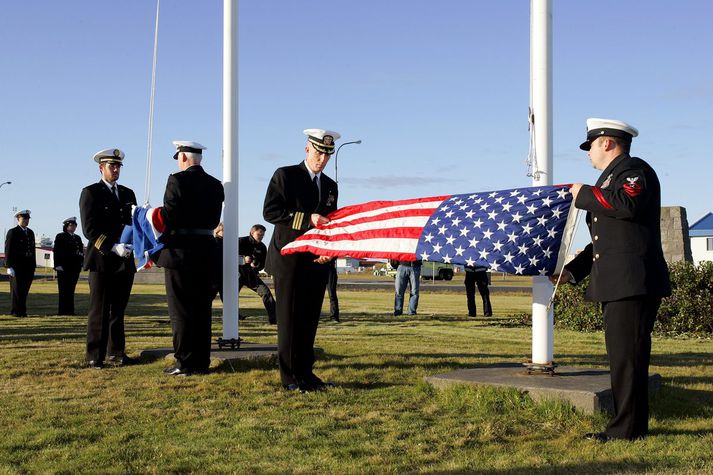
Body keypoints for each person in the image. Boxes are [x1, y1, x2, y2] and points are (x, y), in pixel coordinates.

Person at [551, 118, 671, 442]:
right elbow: (606, 243)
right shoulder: (610, 180)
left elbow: (626, 205)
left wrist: (585, 194)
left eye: (589, 145)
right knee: (624, 358)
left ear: (606, 142)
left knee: (627, 360)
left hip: (632, 283)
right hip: (621, 283)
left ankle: (624, 431)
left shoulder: (634, 171)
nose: (587, 153)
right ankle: (631, 426)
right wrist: (572, 272)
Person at [263, 128, 340, 393]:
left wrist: (330, 250)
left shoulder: (330, 185)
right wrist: (308, 218)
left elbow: (330, 222)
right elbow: (270, 212)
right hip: (289, 258)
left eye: (327, 155)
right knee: (289, 319)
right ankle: (289, 377)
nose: (322, 159)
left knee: (309, 318)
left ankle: (306, 372)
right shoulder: (285, 175)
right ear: (307, 149)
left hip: (316, 260)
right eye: (318, 152)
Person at [156, 141, 224, 376]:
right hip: (206, 250)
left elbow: (170, 215)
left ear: (183, 157)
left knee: (181, 311)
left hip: (180, 252)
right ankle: (201, 361)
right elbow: (214, 218)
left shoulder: (176, 180)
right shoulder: (216, 185)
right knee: (202, 310)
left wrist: (149, 215)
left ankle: (184, 362)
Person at [79, 148, 138, 369]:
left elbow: (133, 224)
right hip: (102, 258)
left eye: (118, 166)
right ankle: (95, 355)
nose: (115, 169)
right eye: (111, 166)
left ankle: (117, 352)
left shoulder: (127, 193)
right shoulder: (91, 192)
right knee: (99, 309)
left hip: (124, 260)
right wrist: (113, 246)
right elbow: (89, 229)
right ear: (101, 168)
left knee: (118, 309)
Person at [238, 224, 276, 324]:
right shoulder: (241, 241)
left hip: (252, 276)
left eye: (263, 235)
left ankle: (274, 319)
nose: (261, 237)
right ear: (252, 233)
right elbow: (228, 256)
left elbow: (263, 264)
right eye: (259, 234)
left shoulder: (262, 247)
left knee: (266, 293)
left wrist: (257, 265)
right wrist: (242, 259)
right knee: (230, 296)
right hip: (237, 275)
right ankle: (235, 316)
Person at [5, 210, 36, 318]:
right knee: (16, 289)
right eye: (24, 219)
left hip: (28, 265)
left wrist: (34, 265)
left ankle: (22, 310)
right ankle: (15, 310)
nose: (26, 221)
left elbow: (32, 250)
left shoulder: (30, 232)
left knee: (25, 289)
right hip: (17, 265)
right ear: (18, 219)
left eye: (27, 219)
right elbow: (8, 249)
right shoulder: (13, 232)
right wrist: (9, 266)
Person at [53, 216, 85, 315]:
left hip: (74, 267)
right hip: (64, 267)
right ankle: (62, 311)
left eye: (75, 225)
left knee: (71, 290)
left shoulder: (77, 238)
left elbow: (80, 252)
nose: (73, 227)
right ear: (66, 226)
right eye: (71, 225)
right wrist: (57, 264)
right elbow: (57, 251)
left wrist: (81, 263)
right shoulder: (60, 236)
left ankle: (70, 310)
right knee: (63, 290)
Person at [212, 222, 225, 303]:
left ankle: (236, 315)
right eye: (224, 230)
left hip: (222, 272)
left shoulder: (227, 242)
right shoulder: (216, 241)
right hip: (216, 272)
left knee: (226, 295)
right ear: (218, 231)